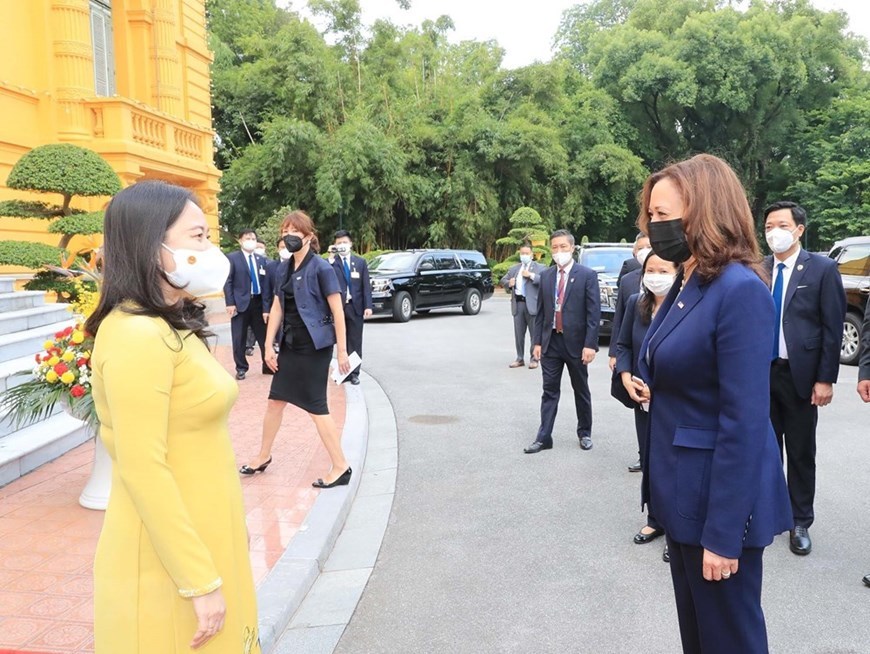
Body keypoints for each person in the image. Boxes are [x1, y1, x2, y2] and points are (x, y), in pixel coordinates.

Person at [86, 181, 260, 653]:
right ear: (152, 246)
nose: (211, 250)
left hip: (205, 533)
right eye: (198, 237)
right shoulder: (135, 336)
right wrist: (199, 581)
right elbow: (144, 468)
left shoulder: (170, 325)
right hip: (167, 564)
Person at [629, 154, 792, 654]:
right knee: (699, 640)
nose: (654, 227)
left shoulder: (738, 289)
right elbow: (664, 364)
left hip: (715, 509)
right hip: (681, 496)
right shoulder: (688, 282)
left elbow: (743, 422)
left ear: (704, 211)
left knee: (730, 641)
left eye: (663, 215)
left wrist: (723, 534)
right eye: (650, 217)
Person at [240, 210, 352, 488]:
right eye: (285, 232)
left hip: (314, 348)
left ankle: (340, 465)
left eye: (295, 232)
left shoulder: (322, 268)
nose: (288, 236)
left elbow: (338, 311)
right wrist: (267, 345)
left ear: (309, 237)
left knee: (316, 407)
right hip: (290, 345)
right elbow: (278, 305)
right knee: (275, 400)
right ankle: (263, 455)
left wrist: (342, 352)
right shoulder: (283, 268)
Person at [763, 201, 846, 556]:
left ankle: (800, 521)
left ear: (799, 229)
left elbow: (832, 327)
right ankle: (765, 515)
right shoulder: (758, 268)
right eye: (768, 226)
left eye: (781, 225)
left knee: (799, 452)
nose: (773, 232)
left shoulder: (822, 269)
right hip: (760, 374)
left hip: (799, 375)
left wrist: (825, 379)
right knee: (764, 451)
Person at [616, 252, 680, 560]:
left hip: (673, 401)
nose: (656, 275)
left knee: (675, 465)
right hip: (641, 397)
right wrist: (627, 378)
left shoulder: (685, 308)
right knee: (651, 460)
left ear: (678, 272)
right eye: (650, 270)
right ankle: (655, 519)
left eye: (663, 270)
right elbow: (623, 344)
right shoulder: (635, 304)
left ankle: (677, 529)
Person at [524, 229, 601, 453]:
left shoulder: (586, 275)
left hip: (577, 345)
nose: (559, 252)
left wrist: (590, 344)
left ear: (572, 248)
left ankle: (584, 432)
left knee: (581, 389)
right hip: (551, 343)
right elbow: (541, 313)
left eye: (563, 247)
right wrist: (536, 342)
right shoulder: (547, 276)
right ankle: (544, 437)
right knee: (549, 391)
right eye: (555, 247)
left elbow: (593, 313)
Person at [609, 233, 651, 471]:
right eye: (640, 248)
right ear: (634, 253)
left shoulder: (671, 277)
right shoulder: (627, 281)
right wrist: (614, 352)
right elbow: (619, 318)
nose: (644, 251)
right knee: (640, 407)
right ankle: (643, 454)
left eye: (649, 246)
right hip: (635, 354)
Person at [327, 229, 373, 385]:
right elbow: (327, 279)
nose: (342, 245)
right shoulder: (332, 263)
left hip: (356, 306)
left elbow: (365, 286)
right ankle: (343, 371)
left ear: (351, 244)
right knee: (342, 340)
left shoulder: (360, 263)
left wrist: (368, 306)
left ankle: (354, 373)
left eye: (344, 242)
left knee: (355, 340)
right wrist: (331, 258)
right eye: (339, 243)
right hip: (339, 307)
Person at [224, 228, 269, 380]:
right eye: (247, 238)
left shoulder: (261, 260)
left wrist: (266, 307)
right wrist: (230, 303)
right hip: (240, 303)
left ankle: (268, 365)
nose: (251, 241)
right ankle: (241, 367)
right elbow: (228, 281)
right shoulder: (232, 258)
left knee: (263, 337)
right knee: (239, 338)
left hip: (258, 303)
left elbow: (265, 285)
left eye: (253, 238)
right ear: (240, 240)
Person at [500, 242, 545, 369]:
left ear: (532, 255)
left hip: (532, 305)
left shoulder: (540, 267)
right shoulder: (515, 268)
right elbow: (503, 280)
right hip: (518, 304)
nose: (524, 255)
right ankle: (519, 358)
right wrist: (509, 283)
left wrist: (530, 275)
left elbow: (544, 280)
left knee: (534, 333)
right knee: (519, 333)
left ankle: (534, 358)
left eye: (526, 253)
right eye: (522, 253)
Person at [245, 239, 270, 356]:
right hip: (246, 299)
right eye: (258, 247)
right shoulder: (245, 261)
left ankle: (267, 358)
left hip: (261, 300)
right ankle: (248, 346)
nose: (260, 249)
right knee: (249, 327)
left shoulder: (266, 262)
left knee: (262, 329)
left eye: (261, 247)